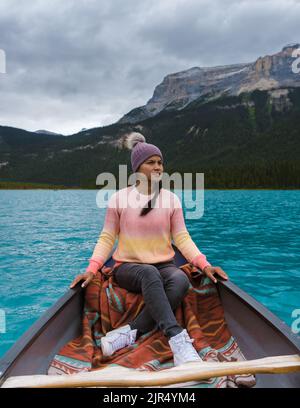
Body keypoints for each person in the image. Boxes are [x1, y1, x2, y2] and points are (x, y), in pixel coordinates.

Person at [70, 132, 228, 366]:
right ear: (137, 168)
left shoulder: (171, 200)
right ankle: (177, 339)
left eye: (160, 162)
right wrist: (92, 269)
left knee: (180, 280)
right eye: (151, 162)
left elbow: (182, 238)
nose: (157, 167)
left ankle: (129, 332)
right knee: (149, 273)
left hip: (164, 265)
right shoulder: (119, 199)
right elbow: (106, 238)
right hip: (127, 267)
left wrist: (204, 265)